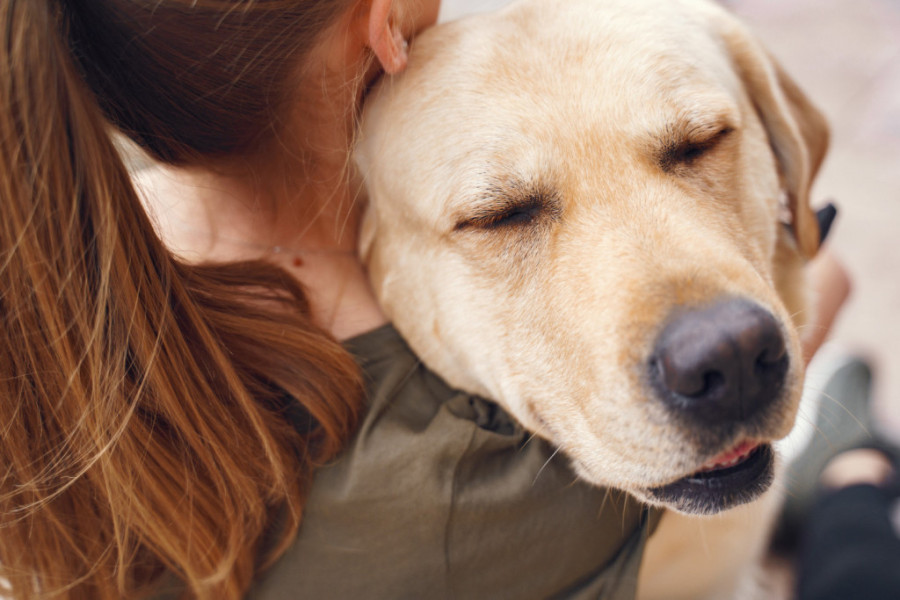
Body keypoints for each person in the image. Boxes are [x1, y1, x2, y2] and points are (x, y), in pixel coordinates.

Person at [0, 0, 855, 598]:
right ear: (380, 30)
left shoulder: (47, 280)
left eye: (697, 144)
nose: (722, 337)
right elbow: (828, 281)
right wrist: (797, 262)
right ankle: (854, 473)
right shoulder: (478, 488)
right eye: (504, 213)